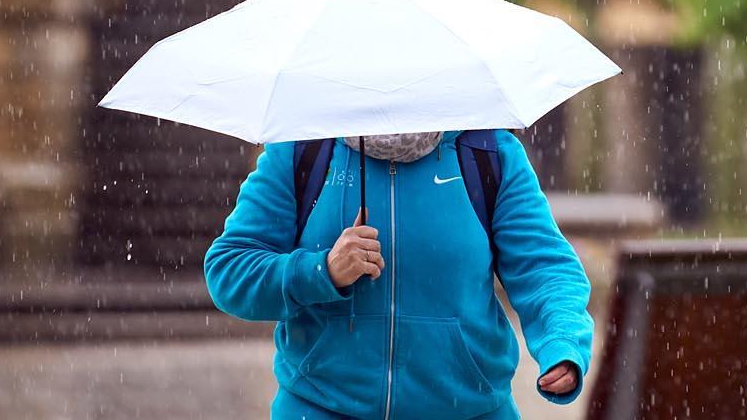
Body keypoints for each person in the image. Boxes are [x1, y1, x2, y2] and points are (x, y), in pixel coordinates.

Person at [206, 130, 593, 419]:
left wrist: (561, 341)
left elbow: (544, 266)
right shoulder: (302, 149)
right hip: (319, 407)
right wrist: (320, 271)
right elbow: (229, 268)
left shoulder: (487, 153)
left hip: (471, 410)